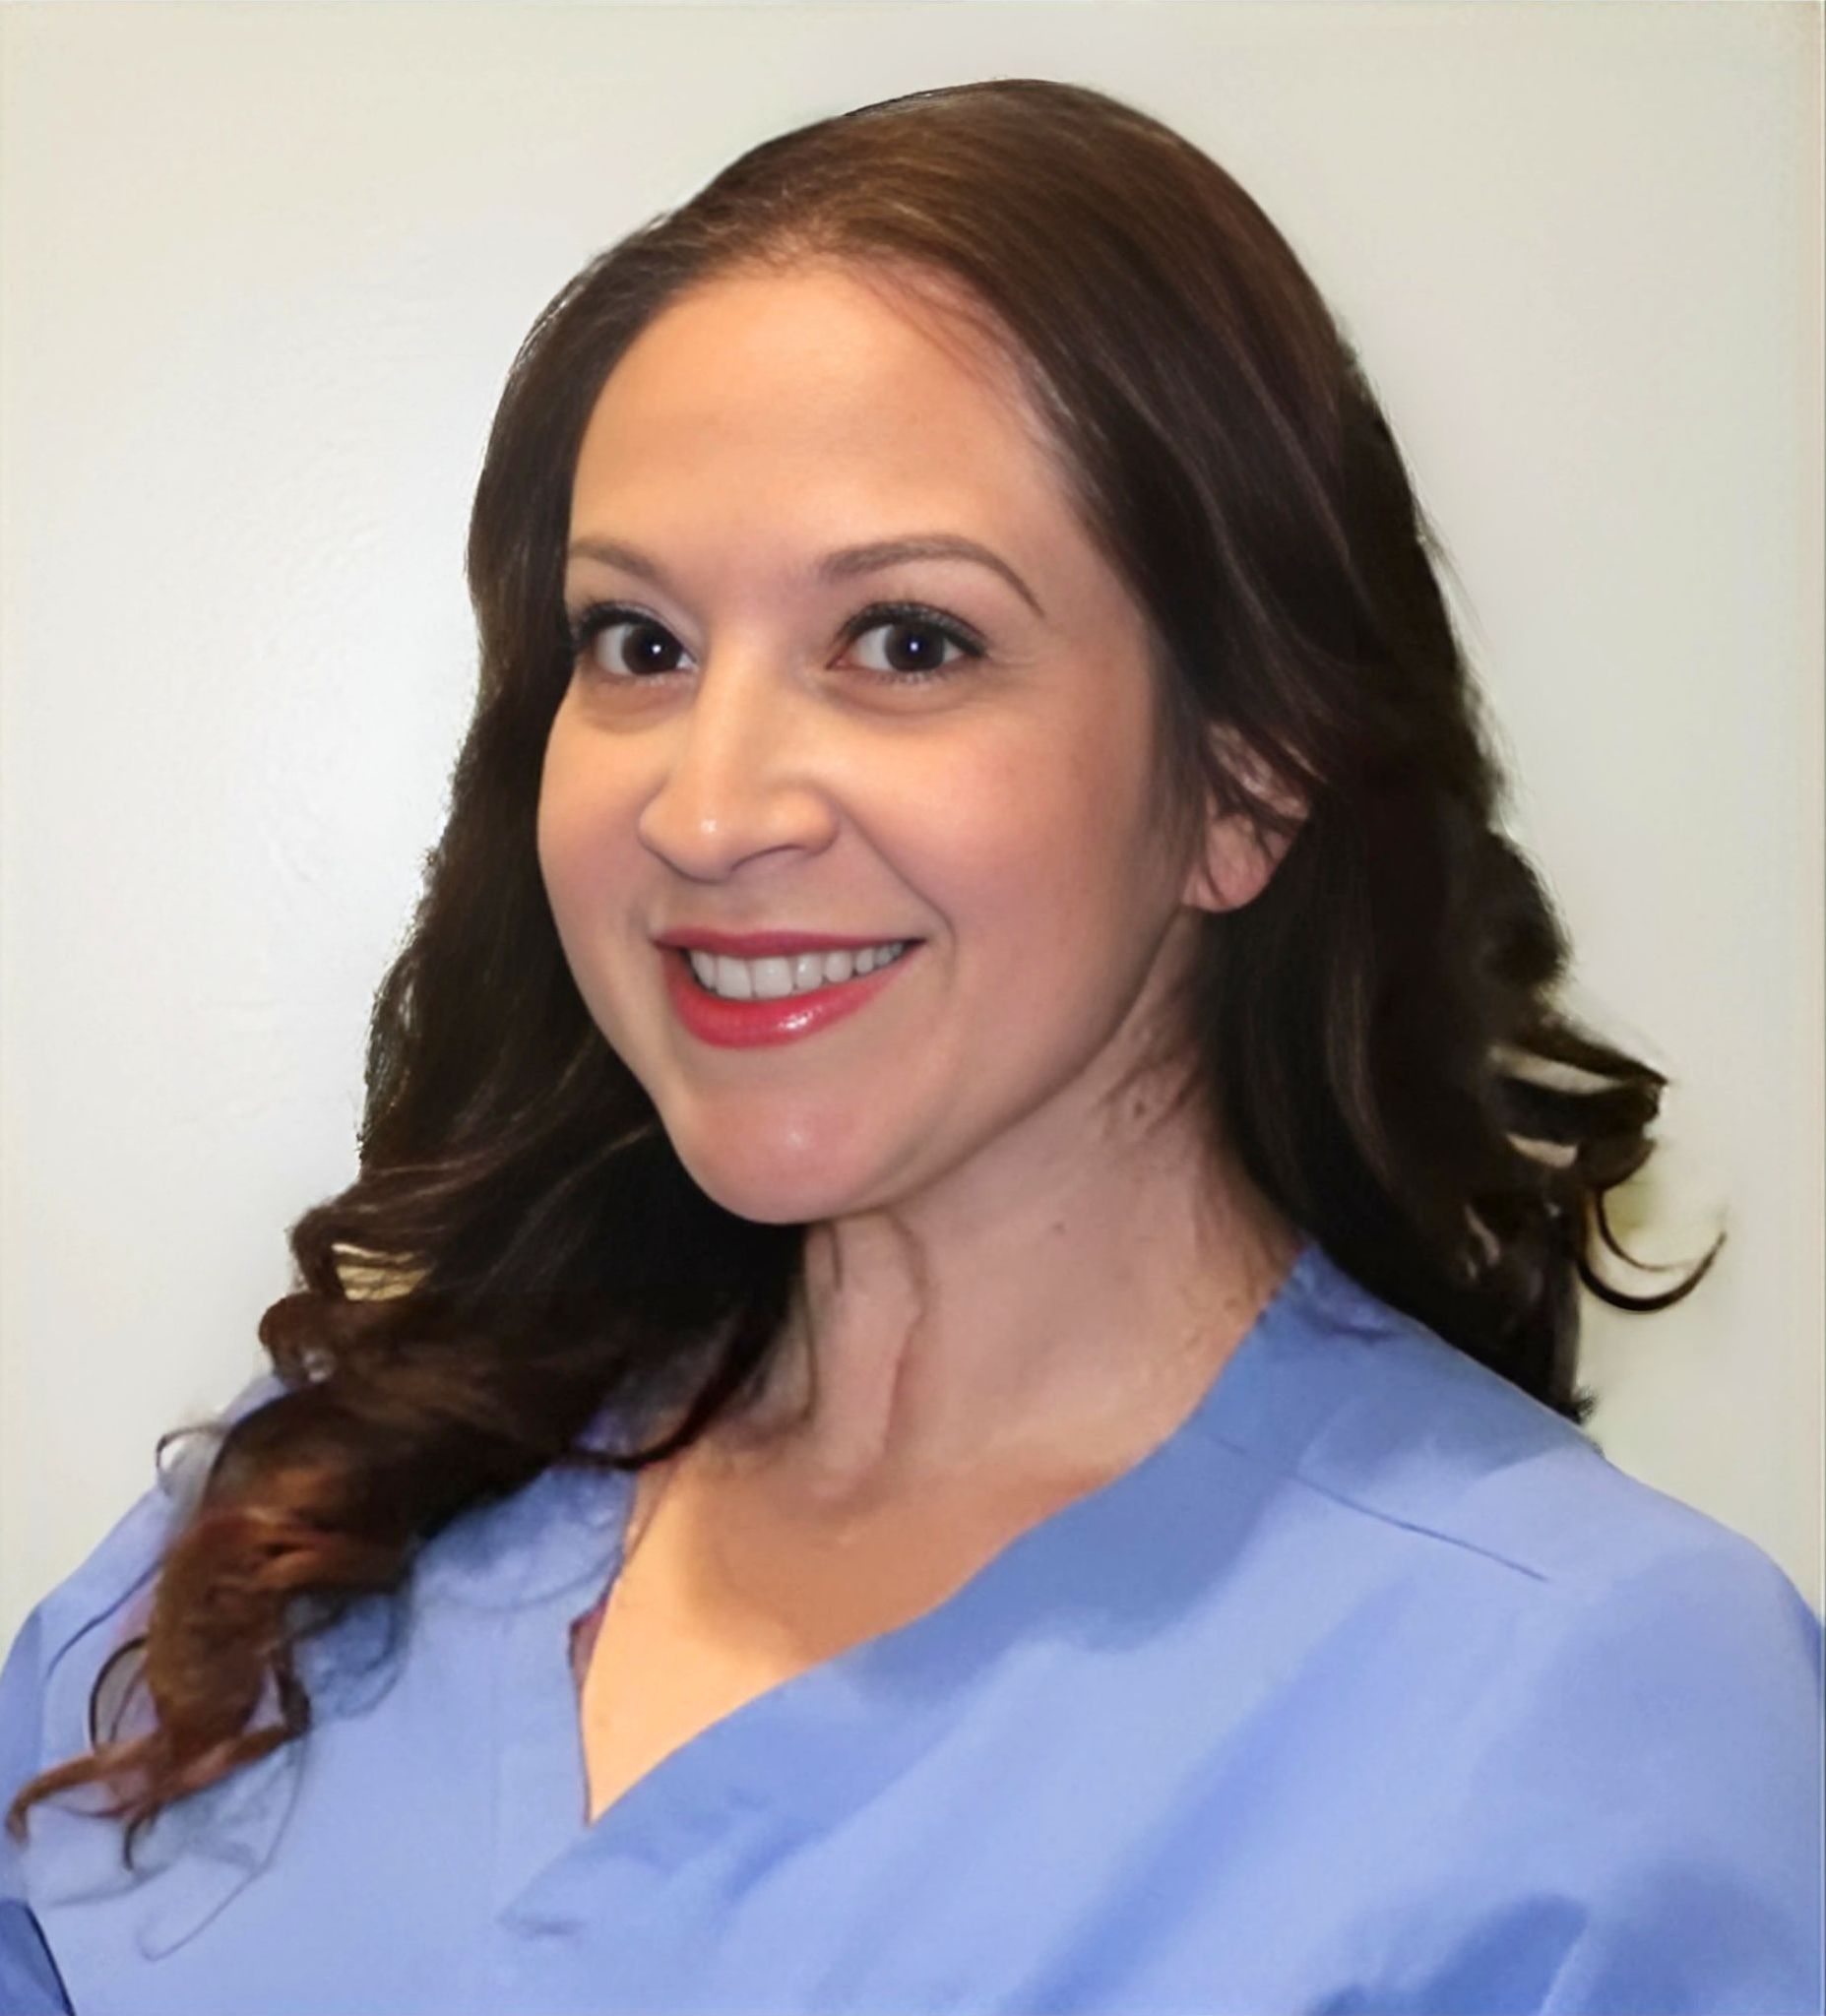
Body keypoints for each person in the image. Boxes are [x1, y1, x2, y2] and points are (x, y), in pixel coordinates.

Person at [2, 74, 1820, 2016]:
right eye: (637, 644)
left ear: (1246, 776)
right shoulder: (268, 1576)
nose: (708, 810)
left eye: (906, 641)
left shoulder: (1582, 1713)